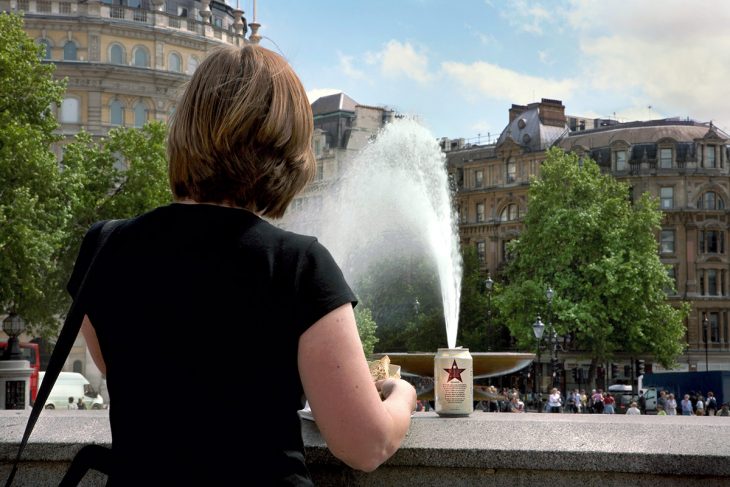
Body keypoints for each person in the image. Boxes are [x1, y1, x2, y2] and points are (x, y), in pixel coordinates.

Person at [71, 44, 417, 485]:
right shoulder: (298, 265)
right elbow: (365, 444)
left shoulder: (104, 248)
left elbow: (137, 376)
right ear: (287, 145)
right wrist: (402, 395)